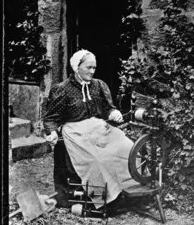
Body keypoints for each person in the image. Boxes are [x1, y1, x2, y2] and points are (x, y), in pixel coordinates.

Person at [43, 49, 134, 211]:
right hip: (76, 133)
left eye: (94, 68)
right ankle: (105, 199)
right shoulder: (62, 89)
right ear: (76, 67)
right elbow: (51, 117)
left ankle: (129, 192)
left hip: (98, 128)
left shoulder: (99, 85)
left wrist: (114, 112)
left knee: (127, 147)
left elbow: (108, 108)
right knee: (97, 160)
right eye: (88, 68)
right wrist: (51, 132)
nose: (92, 71)